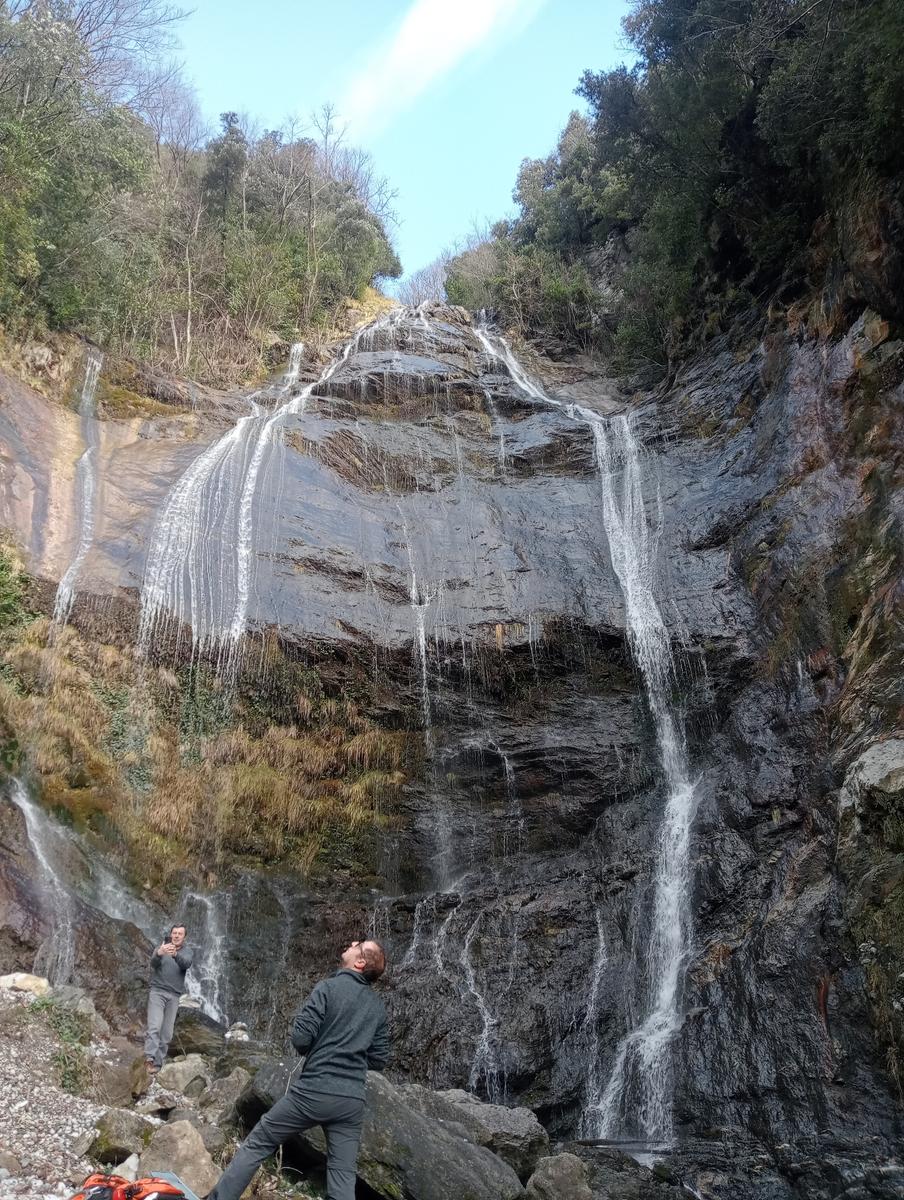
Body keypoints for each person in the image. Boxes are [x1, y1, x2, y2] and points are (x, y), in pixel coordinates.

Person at [207, 939, 389, 1200]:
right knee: (342, 1175)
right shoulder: (377, 1007)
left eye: (357, 944)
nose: (350, 943)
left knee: (260, 1141)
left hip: (314, 1091)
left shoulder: (328, 987)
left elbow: (301, 1039)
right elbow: (379, 1059)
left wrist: (324, 1049)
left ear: (359, 962)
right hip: (351, 1102)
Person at [145, 922, 193, 1074]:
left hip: (174, 996)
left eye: (180, 933)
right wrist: (159, 953)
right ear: (171, 934)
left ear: (184, 937)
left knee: (167, 1033)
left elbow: (186, 964)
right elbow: (153, 963)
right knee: (154, 1026)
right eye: (174, 933)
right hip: (157, 992)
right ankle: (149, 1060)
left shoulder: (187, 952)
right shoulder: (162, 947)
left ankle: (158, 1065)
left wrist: (175, 955)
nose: (177, 936)